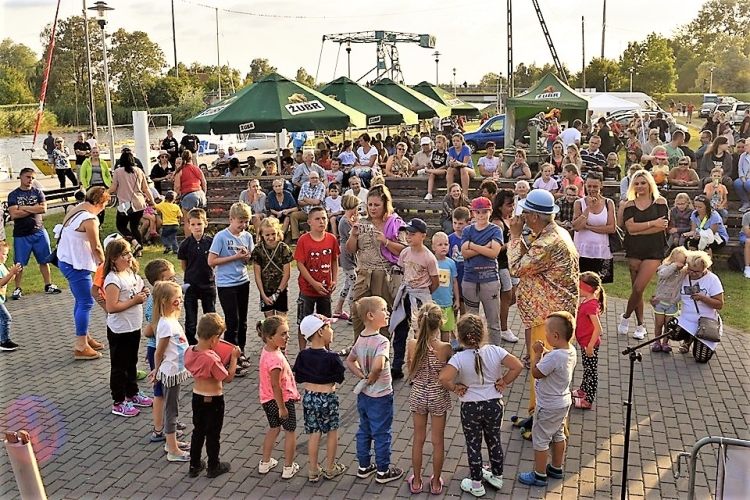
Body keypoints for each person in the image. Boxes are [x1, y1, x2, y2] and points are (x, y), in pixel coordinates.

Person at [508, 189, 579, 435]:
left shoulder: (549, 242)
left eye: (526, 213)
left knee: (546, 372)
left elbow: (516, 267)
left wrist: (515, 236)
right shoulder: (551, 233)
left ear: (535, 217)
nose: (523, 217)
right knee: (539, 370)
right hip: (547, 314)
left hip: (548, 317)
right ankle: (535, 414)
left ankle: (553, 428)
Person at [439, 314, 523, 496]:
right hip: (494, 405)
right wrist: (504, 381)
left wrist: (455, 388)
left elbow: (443, 377)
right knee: (494, 440)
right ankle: (497, 475)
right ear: (483, 332)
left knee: (473, 444)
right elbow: (517, 366)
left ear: (459, 337)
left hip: (470, 407)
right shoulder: (495, 350)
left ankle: (476, 483)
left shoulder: (459, 358)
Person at [346, 296, 404, 484]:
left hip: (364, 395)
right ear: (371, 315)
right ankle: (383, 470)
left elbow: (350, 360)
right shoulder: (382, 341)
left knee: (364, 429)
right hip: (381, 395)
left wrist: (361, 376)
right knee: (382, 432)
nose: (387, 313)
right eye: (384, 310)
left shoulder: (361, 338)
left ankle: (364, 466)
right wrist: (372, 375)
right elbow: (379, 364)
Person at [517, 312, 576, 487]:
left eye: (547, 332)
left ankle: (539, 474)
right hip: (562, 402)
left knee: (541, 439)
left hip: (548, 406)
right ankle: (556, 468)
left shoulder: (553, 357)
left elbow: (536, 372)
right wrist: (546, 353)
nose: (546, 335)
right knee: (558, 435)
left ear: (555, 336)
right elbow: (554, 360)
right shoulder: (569, 351)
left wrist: (537, 354)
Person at [346, 184, 405, 345]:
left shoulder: (395, 223)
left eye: (376, 205)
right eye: (370, 204)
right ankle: (359, 346)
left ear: (385, 205)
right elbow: (350, 249)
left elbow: (404, 250)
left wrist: (386, 242)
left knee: (383, 313)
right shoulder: (362, 222)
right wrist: (353, 234)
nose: (372, 208)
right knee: (357, 310)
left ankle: (381, 348)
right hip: (364, 273)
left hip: (384, 275)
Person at [292, 314, 347, 483]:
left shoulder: (303, 355)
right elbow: (340, 376)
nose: (331, 330)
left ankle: (313, 469)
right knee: (331, 431)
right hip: (327, 396)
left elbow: (299, 376)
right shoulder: (331, 357)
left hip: (309, 396)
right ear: (321, 332)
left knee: (314, 433)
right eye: (329, 327)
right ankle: (330, 467)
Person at [405, 303, 453, 495]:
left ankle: (416, 481)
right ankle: (435, 483)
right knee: (438, 441)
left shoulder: (411, 345)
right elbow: (448, 373)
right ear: (441, 323)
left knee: (418, 439)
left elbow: (410, 372)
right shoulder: (445, 347)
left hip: (418, 394)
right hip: (437, 395)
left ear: (418, 321)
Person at [184, 313, 239, 479]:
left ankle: (194, 465)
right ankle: (213, 465)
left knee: (198, 431)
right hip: (213, 400)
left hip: (197, 396)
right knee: (213, 434)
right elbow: (227, 377)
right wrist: (234, 359)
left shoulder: (189, 351)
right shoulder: (211, 359)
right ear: (214, 339)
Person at [57, 186, 109, 359]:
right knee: (86, 302)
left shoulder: (76, 210)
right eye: (105, 204)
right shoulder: (90, 219)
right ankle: (80, 345)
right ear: (99, 203)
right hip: (76, 265)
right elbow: (96, 246)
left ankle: (85, 337)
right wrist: (104, 264)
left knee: (80, 301)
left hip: (66, 260)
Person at [103, 238, 152, 418]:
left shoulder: (130, 274)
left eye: (129, 253)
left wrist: (143, 293)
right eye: (124, 254)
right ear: (114, 258)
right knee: (119, 366)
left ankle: (133, 392)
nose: (129, 257)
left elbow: (137, 290)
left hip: (133, 326)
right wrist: (134, 301)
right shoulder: (113, 280)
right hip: (119, 329)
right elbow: (111, 307)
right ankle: (119, 401)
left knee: (131, 363)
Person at [617, 170, 669, 340]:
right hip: (634, 249)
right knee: (636, 290)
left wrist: (641, 228)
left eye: (643, 183)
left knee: (639, 287)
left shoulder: (660, 202)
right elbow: (630, 229)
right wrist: (652, 224)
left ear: (649, 184)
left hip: (654, 250)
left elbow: (663, 226)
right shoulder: (629, 204)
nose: (640, 186)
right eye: (636, 183)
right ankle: (640, 325)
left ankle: (625, 317)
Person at [388, 218, 439, 379]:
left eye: (412, 234)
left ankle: (420, 368)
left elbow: (435, 281)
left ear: (423, 236)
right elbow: (403, 270)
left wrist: (422, 293)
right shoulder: (405, 252)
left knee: (421, 333)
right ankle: (397, 365)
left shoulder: (428, 257)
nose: (408, 237)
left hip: (420, 296)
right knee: (400, 329)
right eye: (407, 234)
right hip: (405, 294)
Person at [207, 202, 254, 375]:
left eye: (246, 221)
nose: (243, 225)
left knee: (242, 321)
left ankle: (239, 352)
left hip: (243, 281)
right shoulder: (221, 237)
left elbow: (249, 259)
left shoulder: (247, 236)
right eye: (240, 221)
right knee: (232, 321)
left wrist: (246, 257)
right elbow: (211, 261)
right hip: (226, 284)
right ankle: (228, 358)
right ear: (231, 219)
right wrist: (235, 256)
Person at [462, 197, 516, 344]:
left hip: (490, 279)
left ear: (490, 211)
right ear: (472, 214)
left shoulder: (495, 229)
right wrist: (486, 247)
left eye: (485, 212)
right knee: (471, 320)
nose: (481, 215)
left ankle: (495, 350)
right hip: (470, 279)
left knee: (493, 320)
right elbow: (464, 253)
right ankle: (472, 349)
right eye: (478, 212)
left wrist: (472, 245)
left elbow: (494, 253)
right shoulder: (467, 230)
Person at [149, 280, 190, 462]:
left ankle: (170, 442)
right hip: (170, 372)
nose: (180, 301)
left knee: (173, 407)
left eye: (181, 298)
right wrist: (156, 371)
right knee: (171, 410)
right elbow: (159, 351)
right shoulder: (166, 324)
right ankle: (172, 449)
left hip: (175, 370)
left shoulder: (171, 320)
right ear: (165, 300)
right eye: (177, 298)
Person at [7, 168, 62, 299]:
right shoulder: (13, 195)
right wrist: (33, 208)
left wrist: (24, 207)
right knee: (19, 263)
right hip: (21, 234)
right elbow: (14, 213)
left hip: (39, 232)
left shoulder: (38, 192)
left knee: (44, 260)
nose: (30, 180)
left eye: (32, 177)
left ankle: (48, 284)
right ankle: (17, 288)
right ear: (20, 177)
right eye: (27, 177)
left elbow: (43, 208)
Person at [257, 316, 301, 480]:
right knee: (290, 432)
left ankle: (265, 462)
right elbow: (276, 385)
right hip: (281, 400)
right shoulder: (275, 359)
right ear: (269, 337)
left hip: (266, 399)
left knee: (274, 428)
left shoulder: (268, 351)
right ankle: (289, 466)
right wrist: (282, 407)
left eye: (287, 333)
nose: (287, 337)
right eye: (282, 334)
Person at [142, 259, 179, 445]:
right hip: (159, 349)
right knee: (160, 391)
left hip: (166, 349)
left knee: (170, 390)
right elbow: (150, 330)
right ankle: (158, 429)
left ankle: (170, 421)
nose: (175, 281)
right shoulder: (154, 303)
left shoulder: (164, 299)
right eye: (170, 279)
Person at [294, 206, 339, 350]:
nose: (322, 222)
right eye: (317, 219)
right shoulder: (304, 240)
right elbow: (300, 264)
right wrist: (313, 283)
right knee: (303, 321)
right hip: (307, 290)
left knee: (325, 321)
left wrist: (334, 280)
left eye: (324, 218)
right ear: (309, 222)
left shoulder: (331, 239)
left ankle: (326, 350)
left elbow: (334, 260)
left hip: (325, 289)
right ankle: (302, 352)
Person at [674, 251, 724, 361]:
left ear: (704, 268)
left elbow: (719, 304)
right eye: (690, 269)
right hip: (686, 319)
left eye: (696, 271)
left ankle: (700, 341)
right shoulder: (684, 274)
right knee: (672, 331)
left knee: (701, 358)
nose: (692, 273)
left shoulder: (712, 279)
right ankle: (688, 338)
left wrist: (703, 298)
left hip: (706, 322)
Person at [178, 208, 216, 345]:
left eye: (199, 224)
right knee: (191, 318)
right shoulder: (185, 245)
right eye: (193, 224)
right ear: (188, 225)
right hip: (191, 286)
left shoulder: (212, 242)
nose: (196, 227)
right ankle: (191, 344)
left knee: (210, 316)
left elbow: (215, 261)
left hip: (208, 284)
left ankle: (211, 341)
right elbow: (184, 265)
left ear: (206, 223)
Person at [571, 173, 617, 282]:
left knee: (599, 286)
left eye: (595, 186)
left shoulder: (608, 203)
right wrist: (588, 208)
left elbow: (611, 228)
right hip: (581, 250)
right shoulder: (579, 203)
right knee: (580, 284)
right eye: (589, 186)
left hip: (601, 250)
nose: (592, 189)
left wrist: (588, 227)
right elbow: (577, 226)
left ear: (601, 185)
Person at [110, 151, 154, 255]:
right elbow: (146, 188)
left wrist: (103, 194)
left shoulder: (118, 172)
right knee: (134, 226)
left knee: (121, 226)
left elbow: (113, 188)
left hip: (125, 204)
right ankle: (139, 251)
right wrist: (152, 201)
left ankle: (135, 243)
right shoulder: (139, 171)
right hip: (139, 202)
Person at [573, 272, 605, 410]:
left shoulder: (591, 305)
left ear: (588, 288)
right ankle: (582, 390)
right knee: (586, 369)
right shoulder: (586, 301)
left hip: (589, 344)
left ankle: (588, 400)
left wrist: (591, 346)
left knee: (591, 372)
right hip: (584, 343)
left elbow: (598, 329)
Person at [648, 247, 688, 354]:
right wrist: (674, 266)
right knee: (659, 323)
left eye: (682, 263)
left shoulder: (683, 272)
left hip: (672, 303)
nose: (680, 266)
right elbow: (663, 274)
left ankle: (665, 342)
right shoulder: (664, 268)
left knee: (668, 325)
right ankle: (657, 341)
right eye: (678, 262)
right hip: (660, 301)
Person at [251, 217, 293, 318]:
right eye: (267, 235)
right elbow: (257, 275)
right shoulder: (258, 250)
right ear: (261, 234)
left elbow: (287, 274)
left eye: (273, 234)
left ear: (278, 232)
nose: (271, 237)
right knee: (269, 322)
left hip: (281, 289)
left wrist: (277, 293)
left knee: (281, 321)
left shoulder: (283, 248)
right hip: (265, 290)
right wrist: (263, 295)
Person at [333, 194, 359, 322]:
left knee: (348, 283)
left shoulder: (349, 220)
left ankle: (338, 309)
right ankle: (352, 313)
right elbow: (352, 237)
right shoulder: (344, 221)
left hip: (349, 253)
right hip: (346, 253)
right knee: (354, 283)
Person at [430, 232, 460, 343]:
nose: (444, 247)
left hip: (447, 303)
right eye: (440, 244)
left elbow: (455, 282)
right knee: (432, 331)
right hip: (433, 304)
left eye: (446, 244)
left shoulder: (451, 263)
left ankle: (445, 354)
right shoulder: (430, 261)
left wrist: (456, 299)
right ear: (433, 247)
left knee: (446, 331)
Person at [173, 151, 208, 234]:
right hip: (200, 194)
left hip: (189, 195)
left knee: (188, 221)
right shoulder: (197, 169)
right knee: (200, 219)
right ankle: (200, 238)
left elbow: (177, 187)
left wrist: (175, 197)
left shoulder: (180, 171)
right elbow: (204, 182)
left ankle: (189, 242)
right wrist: (204, 194)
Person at [290, 171, 326, 243]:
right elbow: (299, 201)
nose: (314, 180)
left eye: (316, 178)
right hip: (305, 211)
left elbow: (317, 202)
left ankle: (313, 238)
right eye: (312, 178)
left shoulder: (321, 186)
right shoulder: (304, 185)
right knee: (293, 215)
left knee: (314, 218)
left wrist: (306, 199)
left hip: (316, 213)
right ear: (309, 179)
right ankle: (295, 238)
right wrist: (310, 201)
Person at [79, 148, 112, 224]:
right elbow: (83, 175)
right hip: (91, 186)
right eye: (93, 152)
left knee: (101, 204)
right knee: (92, 204)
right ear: (91, 153)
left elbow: (107, 174)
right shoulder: (86, 163)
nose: (95, 154)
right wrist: (86, 186)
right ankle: (92, 221)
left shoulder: (103, 163)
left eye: (97, 152)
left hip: (102, 185)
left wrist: (108, 184)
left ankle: (101, 222)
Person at [0, 242, 22, 351]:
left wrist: (13, 273)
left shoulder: (1, 266)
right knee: (6, 318)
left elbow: (7, 279)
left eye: (7, 254)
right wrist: (10, 274)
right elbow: (1, 283)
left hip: (1, 298)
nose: (6, 257)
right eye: (4, 254)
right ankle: (4, 341)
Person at [424, 135, 449, 201]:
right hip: (434, 170)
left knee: (443, 171)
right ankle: (429, 193)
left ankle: (426, 170)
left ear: (444, 143)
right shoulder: (434, 152)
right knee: (432, 175)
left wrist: (437, 170)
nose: (437, 144)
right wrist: (433, 168)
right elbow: (431, 161)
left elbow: (446, 165)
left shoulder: (446, 154)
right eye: (436, 142)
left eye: (439, 142)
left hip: (442, 171)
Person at [734, 141, 750, 212]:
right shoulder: (743, 155)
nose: (744, 147)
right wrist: (742, 177)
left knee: (747, 184)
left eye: (746, 145)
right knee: (737, 183)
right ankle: (745, 202)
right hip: (745, 177)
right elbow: (740, 168)